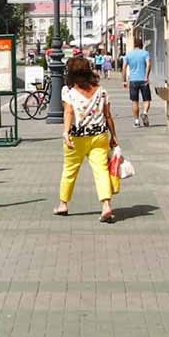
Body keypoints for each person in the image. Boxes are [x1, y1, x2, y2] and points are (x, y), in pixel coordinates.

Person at [55, 53, 117, 223]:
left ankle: (63, 204)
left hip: (77, 138)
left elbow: (68, 112)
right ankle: (106, 206)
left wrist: (65, 132)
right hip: (99, 135)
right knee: (101, 170)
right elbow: (108, 115)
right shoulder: (102, 91)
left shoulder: (68, 91)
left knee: (69, 170)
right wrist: (114, 137)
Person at [123, 37, 152, 127]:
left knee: (134, 101)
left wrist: (124, 81)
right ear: (141, 45)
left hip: (133, 80)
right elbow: (148, 64)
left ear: (134, 45)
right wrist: (146, 76)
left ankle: (136, 121)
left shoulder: (128, 55)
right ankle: (145, 113)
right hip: (143, 80)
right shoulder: (145, 53)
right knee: (146, 99)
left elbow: (124, 68)